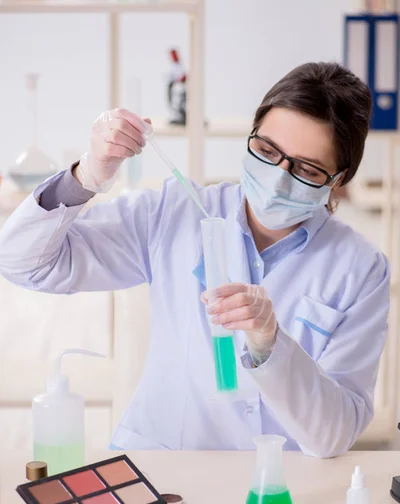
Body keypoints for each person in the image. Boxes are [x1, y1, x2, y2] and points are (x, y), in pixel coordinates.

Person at [0, 62, 389, 457]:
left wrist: (271, 344)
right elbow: (23, 263)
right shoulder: (176, 211)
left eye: (307, 168)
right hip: (161, 467)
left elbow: (333, 436)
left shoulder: (360, 268)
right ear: (252, 134)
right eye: (267, 150)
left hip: (273, 482)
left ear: (339, 178)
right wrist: (85, 176)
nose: (278, 176)